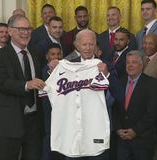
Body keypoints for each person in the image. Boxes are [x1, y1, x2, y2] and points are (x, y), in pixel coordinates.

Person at [44, 29, 124, 160]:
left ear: (96, 45)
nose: (88, 48)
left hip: (96, 129)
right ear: (77, 46)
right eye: (84, 44)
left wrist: (107, 75)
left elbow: (120, 95)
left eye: (91, 44)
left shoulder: (105, 65)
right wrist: (52, 73)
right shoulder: (66, 66)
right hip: (72, 133)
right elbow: (50, 92)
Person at [0, 14, 45, 160]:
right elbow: (1, 83)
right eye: (21, 29)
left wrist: (52, 71)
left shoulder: (35, 54)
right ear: (10, 31)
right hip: (11, 123)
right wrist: (27, 85)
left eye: (28, 29)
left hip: (34, 123)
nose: (26, 33)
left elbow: (42, 82)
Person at [115, 50, 157, 160]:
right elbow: (114, 109)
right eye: (128, 62)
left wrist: (135, 130)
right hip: (122, 141)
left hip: (142, 141)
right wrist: (118, 129)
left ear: (142, 65)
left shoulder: (152, 84)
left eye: (134, 62)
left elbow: (152, 113)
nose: (130, 65)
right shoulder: (119, 82)